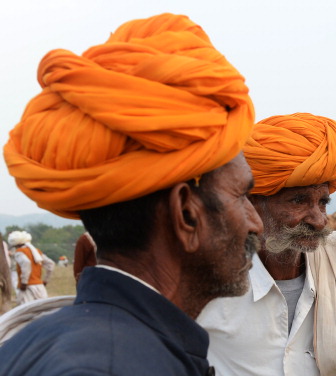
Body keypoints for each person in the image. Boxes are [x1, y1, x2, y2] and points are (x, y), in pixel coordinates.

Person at [0, 13, 262, 376]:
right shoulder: (115, 364)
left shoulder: (53, 339)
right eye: (243, 196)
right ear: (186, 214)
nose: (256, 223)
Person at [198, 113, 336, 375]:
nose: (318, 221)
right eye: (298, 201)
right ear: (253, 203)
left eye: (323, 202)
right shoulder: (208, 275)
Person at [7, 231, 55, 305]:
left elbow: (26, 263)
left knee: (25, 311)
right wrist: (45, 280)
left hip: (28, 288)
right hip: (40, 287)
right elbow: (51, 264)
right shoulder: (37, 251)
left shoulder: (20, 252)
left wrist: (24, 282)